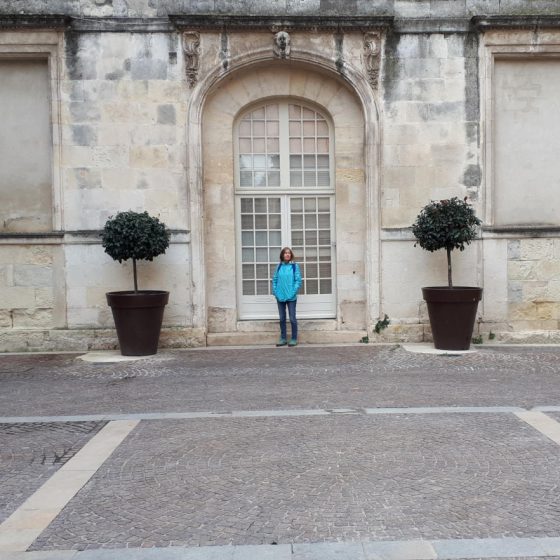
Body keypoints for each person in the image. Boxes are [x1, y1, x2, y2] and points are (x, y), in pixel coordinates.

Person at [272, 247, 302, 347]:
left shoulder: (294, 266)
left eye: (289, 253)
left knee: (292, 318)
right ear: (282, 255)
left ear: (291, 255)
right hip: (280, 296)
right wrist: (276, 292)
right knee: (282, 318)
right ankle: (283, 338)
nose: (287, 255)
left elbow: (298, 281)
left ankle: (293, 338)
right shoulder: (279, 266)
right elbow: (274, 280)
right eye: (285, 253)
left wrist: (293, 292)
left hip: (291, 297)